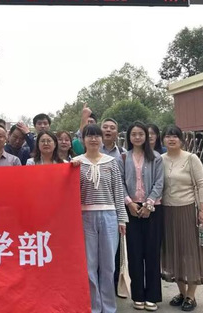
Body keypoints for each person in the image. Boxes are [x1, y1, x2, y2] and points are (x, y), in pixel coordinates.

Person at [72, 124, 127, 313]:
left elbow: (118, 191)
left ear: (102, 139)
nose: (93, 139)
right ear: (83, 140)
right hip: (85, 217)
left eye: (97, 136)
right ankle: (94, 307)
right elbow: (71, 193)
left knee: (108, 265)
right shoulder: (76, 163)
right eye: (89, 136)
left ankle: (109, 307)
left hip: (109, 216)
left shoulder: (111, 162)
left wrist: (122, 219)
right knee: (89, 265)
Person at [161, 125, 203, 312]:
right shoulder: (160, 159)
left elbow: (202, 183)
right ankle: (182, 292)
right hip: (167, 211)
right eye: (168, 136)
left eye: (175, 136)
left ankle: (191, 295)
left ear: (181, 140)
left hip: (187, 210)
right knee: (174, 251)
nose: (171, 139)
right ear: (163, 140)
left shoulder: (191, 158)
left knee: (190, 251)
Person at [119, 121, 164, 311]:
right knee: (135, 253)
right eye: (134, 134)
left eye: (141, 134)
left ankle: (152, 296)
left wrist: (148, 205)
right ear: (129, 137)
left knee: (152, 253)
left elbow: (160, 183)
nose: (137, 137)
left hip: (153, 209)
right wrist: (129, 202)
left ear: (146, 136)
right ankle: (138, 295)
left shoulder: (156, 157)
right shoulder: (123, 157)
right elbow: (120, 183)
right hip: (131, 209)